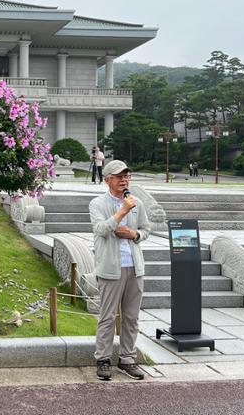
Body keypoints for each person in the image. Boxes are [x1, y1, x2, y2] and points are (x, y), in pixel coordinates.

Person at [88, 160, 152, 381]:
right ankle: (103, 359)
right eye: (119, 176)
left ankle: (127, 360)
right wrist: (122, 212)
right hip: (110, 269)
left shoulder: (138, 203)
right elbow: (100, 230)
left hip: (135, 267)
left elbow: (146, 229)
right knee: (106, 317)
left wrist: (134, 235)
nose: (124, 179)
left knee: (131, 317)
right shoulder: (97, 204)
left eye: (127, 175)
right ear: (108, 180)